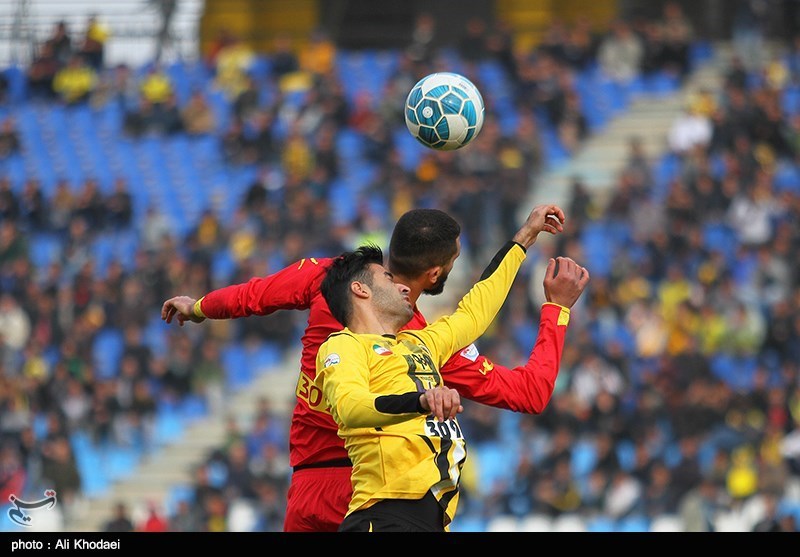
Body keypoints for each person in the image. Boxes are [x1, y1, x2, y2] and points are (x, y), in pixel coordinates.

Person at [161, 204, 586, 531]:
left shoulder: (338, 282)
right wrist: (556, 310)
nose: (394, 283)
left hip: (310, 487)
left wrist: (199, 307)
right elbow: (529, 391)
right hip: (374, 492)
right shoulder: (397, 349)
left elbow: (256, 295)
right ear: (434, 274)